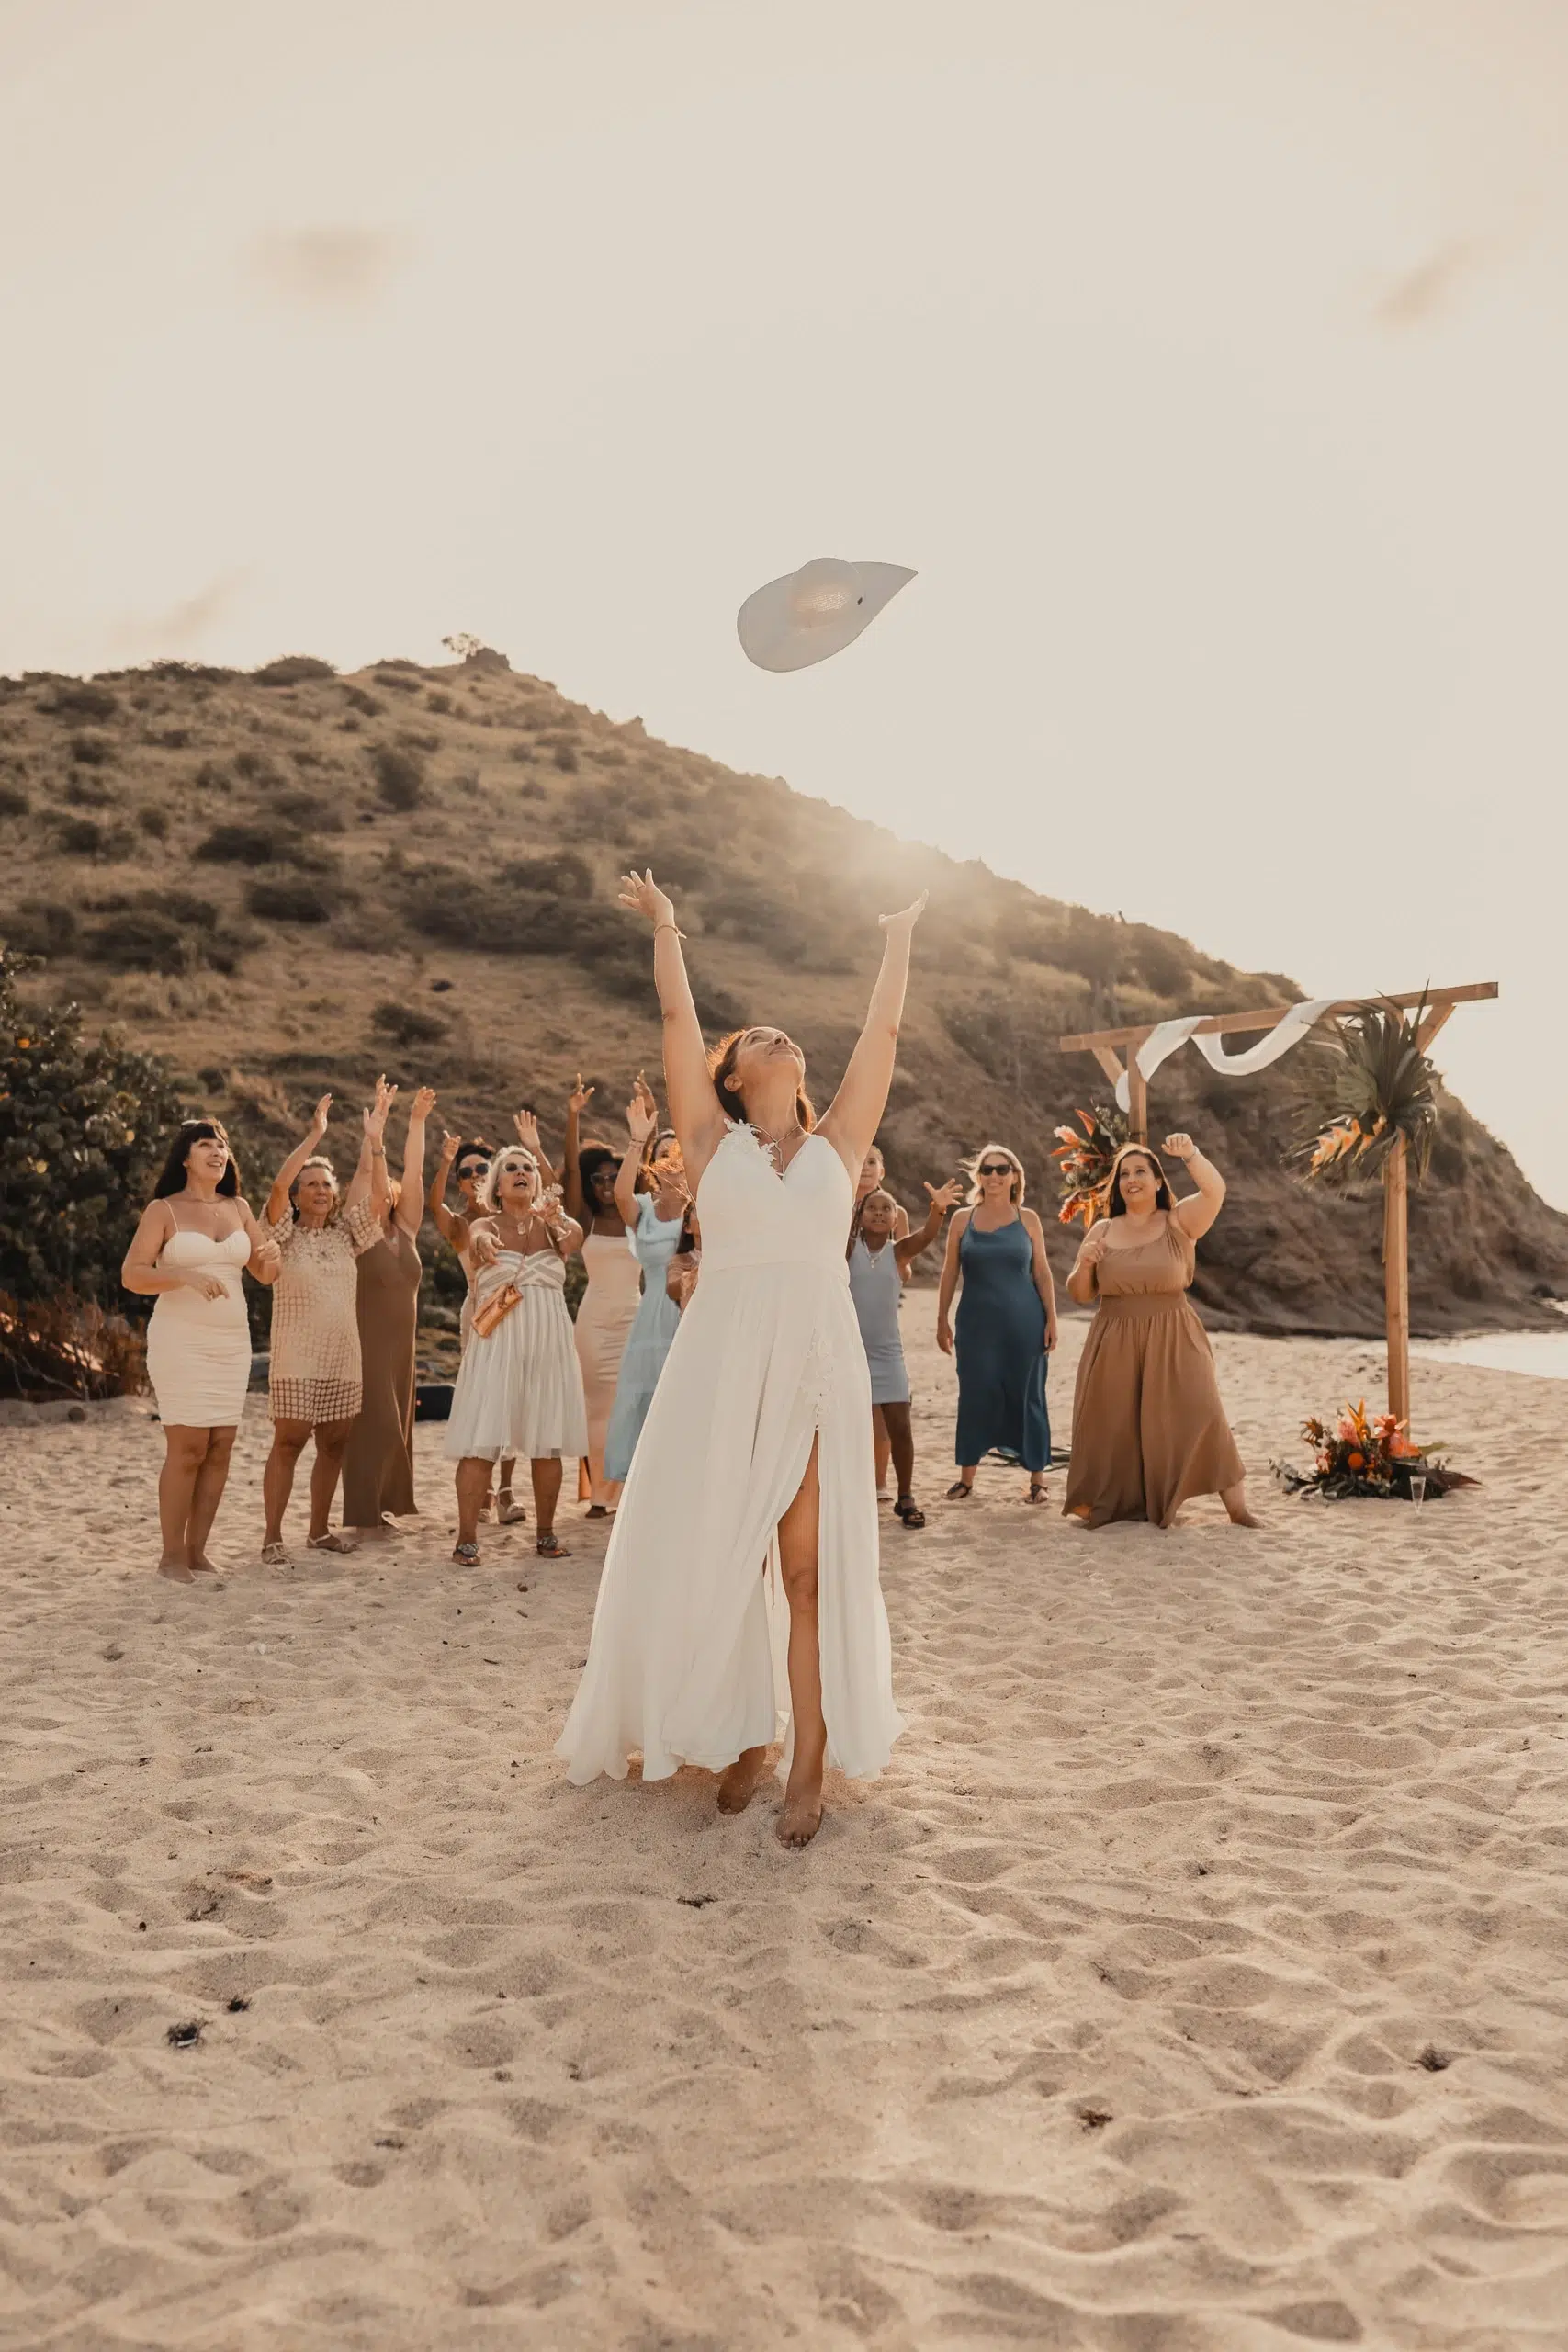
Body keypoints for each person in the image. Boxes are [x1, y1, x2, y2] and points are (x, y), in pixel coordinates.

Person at [557, 869, 926, 1849]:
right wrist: (669, 924)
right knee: (721, 1558)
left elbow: (882, 1040)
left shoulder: (840, 1144)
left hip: (810, 1359)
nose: (776, 1037)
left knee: (803, 1572)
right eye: (756, 1037)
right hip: (721, 1360)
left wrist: (898, 939)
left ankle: (806, 1757)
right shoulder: (710, 1138)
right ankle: (743, 1737)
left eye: (783, 1037)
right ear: (732, 1076)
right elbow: (677, 1015)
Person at [1063, 1134, 1258, 1529]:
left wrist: (1191, 1154)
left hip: (1174, 1333)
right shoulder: (1101, 1229)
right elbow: (1081, 1294)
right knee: (1116, 1422)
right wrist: (1083, 1264)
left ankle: (1237, 1510)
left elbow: (1215, 1190)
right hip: (1113, 1336)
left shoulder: (1178, 1221)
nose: (1131, 1179)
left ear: (1157, 1181)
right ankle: (1112, 1503)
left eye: (1141, 1172)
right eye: (1124, 1174)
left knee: (1203, 1411)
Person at [121, 1118, 280, 1582]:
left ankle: (196, 1551)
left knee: (220, 1446)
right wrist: (185, 1276)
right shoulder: (163, 1211)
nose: (217, 1151)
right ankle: (170, 1556)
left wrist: (273, 1259)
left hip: (231, 1343)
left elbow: (264, 1273)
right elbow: (132, 1274)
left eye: (222, 1145)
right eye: (205, 1144)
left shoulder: (239, 1207)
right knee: (188, 1446)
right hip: (180, 1339)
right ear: (185, 1158)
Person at [260, 1084, 392, 1562]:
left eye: (326, 1184)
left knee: (334, 1445)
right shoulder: (282, 1234)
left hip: (343, 1355)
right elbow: (276, 1187)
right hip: (296, 1353)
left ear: (335, 1196)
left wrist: (375, 1139)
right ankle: (272, 1536)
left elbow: (379, 1197)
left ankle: (318, 1531)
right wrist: (315, 1136)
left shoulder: (346, 1236)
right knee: (289, 1442)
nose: (319, 1189)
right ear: (298, 1195)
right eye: (310, 1183)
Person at [444, 1144, 588, 1564]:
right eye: (510, 1168)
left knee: (549, 1442)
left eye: (527, 1168)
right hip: (499, 1345)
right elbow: (479, 1239)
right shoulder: (484, 1224)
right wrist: (486, 1239)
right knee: (481, 1441)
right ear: (498, 1186)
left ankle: (545, 1534)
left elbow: (575, 1240)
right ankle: (466, 1538)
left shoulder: (553, 1230)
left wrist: (554, 1215)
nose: (521, 1172)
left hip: (549, 1342)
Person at [936, 1143, 1059, 1504]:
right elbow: (948, 1274)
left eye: (1001, 1169)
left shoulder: (1029, 1220)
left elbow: (1043, 1273)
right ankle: (967, 1479)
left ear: (1014, 1176)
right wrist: (941, 1318)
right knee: (976, 1393)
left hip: (1025, 1322)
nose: (993, 1176)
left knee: (1029, 1393)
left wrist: (1052, 1318)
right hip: (976, 1324)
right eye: (987, 1170)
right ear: (979, 1176)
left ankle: (1037, 1480)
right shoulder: (963, 1220)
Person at [342, 1085, 434, 1542]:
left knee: (398, 1421)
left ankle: (383, 1505)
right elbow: (370, 1177)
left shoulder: (407, 1230)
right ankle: (364, 1509)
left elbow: (414, 1172)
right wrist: (376, 1134)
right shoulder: (361, 1231)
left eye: (390, 1192)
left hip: (404, 1348)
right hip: (368, 1340)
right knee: (376, 1421)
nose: (384, 1194)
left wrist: (416, 1121)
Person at [848, 1178, 963, 1527]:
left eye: (887, 1209)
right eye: (872, 1208)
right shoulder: (845, 1248)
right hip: (848, 1354)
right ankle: (851, 1497)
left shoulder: (898, 1252)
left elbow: (927, 1236)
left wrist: (938, 1208)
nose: (880, 1213)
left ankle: (906, 1497)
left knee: (901, 1427)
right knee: (850, 1429)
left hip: (888, 1355)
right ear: (860, 1214)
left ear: (896, 1219)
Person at [428, 1131, 522, 1524]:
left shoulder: (514, 1214)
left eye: (482, 1168)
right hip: (479, 1314)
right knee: (483, 1400)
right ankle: (482, 1490)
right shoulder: (462, 1223)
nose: (474, 1176)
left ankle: (506, 1491)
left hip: (516, 1310)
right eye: (465, 1172)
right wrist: (445, 1159)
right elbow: (434, 1206)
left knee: (513, 1400)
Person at [564, 1076, 643, 1515]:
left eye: (615, 1178)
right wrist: (573, 1115)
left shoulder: (637, 1216)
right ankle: (599, 1497)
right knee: (597, 1411)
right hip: (593, 1322)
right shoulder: (587, 1221)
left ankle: (627, 1493)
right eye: (600, 1178)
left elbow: (643, 1167)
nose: (607, 1184)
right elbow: (570, 1169)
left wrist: (639, 1136)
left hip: (634, 1317)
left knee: (629, 1408)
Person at [603, 1082, 688, 1483]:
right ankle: (648, 1484)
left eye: (678, 1150)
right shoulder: (644, 1209)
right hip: (652, 1314)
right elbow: (620, 1193)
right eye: (663, 1151)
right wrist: (638, 1138)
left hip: (691, 1314)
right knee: (645, 1402)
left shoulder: (702, 1207)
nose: (672, 1157)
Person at [855, 1144, 909, 1496]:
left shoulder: (894, 1211)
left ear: (882, 1171)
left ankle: (879, 1481)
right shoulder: (837, 1204)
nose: (865, 1167)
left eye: (872, 1161)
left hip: (882, 1322)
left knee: (884, 1411)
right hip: (842, 1309)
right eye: (860, 1160)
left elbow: (905, 1260)